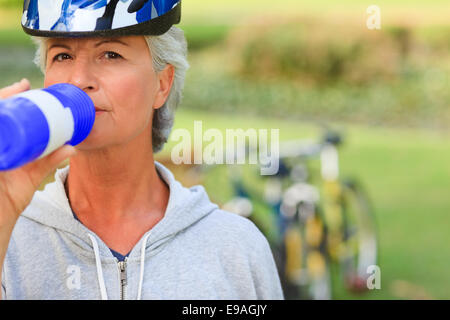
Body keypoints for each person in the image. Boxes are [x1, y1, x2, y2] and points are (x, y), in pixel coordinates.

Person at [0, 0, 284, 299]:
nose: (79, 80)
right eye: (63, 55)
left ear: (162, 84)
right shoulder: (12, 237)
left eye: (111, 54)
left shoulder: (236, 248)